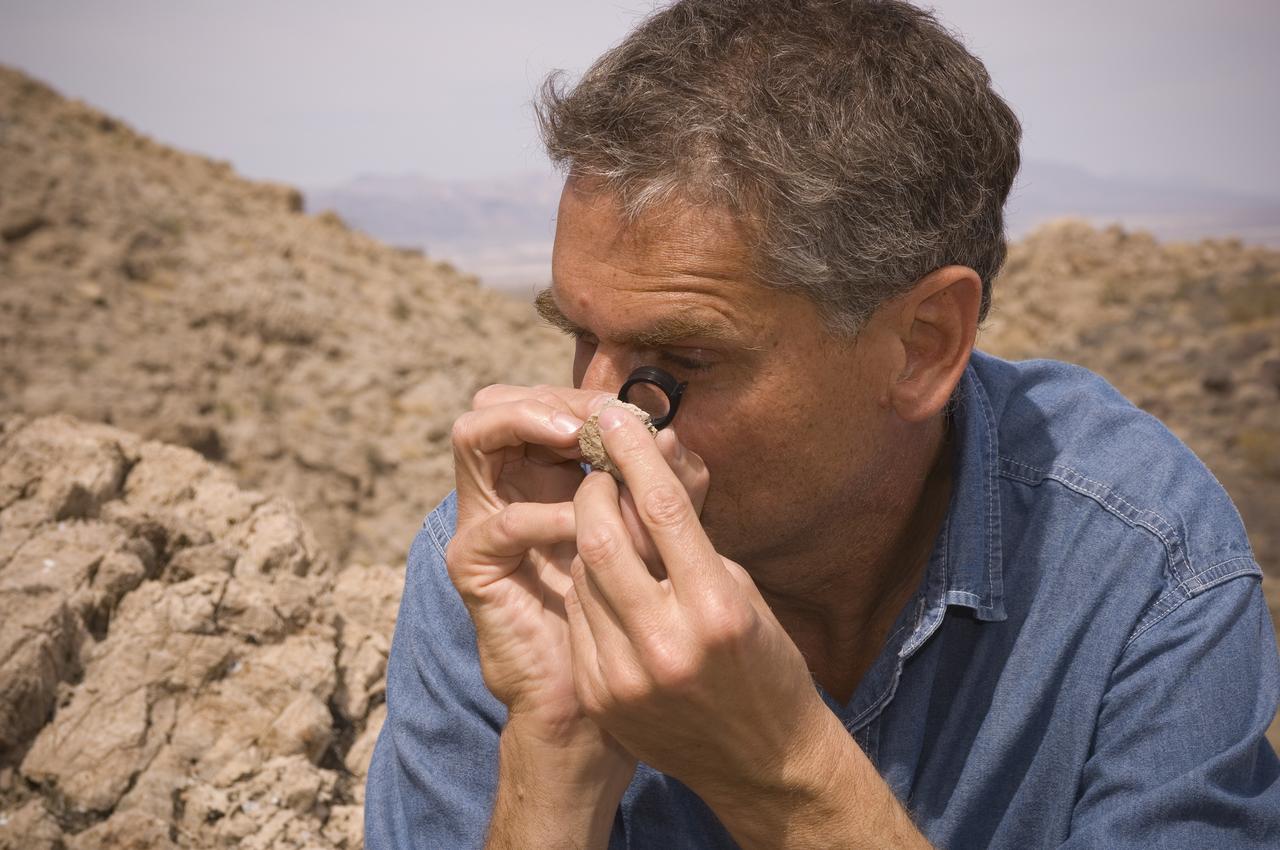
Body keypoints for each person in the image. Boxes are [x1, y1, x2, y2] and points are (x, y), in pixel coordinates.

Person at [364, 1, 1280, 847]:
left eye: (680, 363)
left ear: (923, 345)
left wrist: (786, 775)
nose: (602, 422)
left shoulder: (1139, 560)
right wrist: (557, 749)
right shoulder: (514, 562)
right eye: (577, 335)